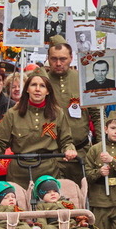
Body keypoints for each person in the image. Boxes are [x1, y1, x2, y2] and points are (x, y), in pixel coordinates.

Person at [0, 72, 78, 187]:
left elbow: (66, 140)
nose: (37, 89)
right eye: (33, 85)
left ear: (48, 91)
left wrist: (69, 149)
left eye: (42, 86)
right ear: (27, 89)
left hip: (48, 170)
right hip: (19, 172)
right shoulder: (13, 113)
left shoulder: (57, 113)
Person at [45, 40, 92, 180]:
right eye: (54, 59)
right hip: (51, 155)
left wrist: (100, 147)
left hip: (81, 152)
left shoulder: (83, 78)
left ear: (71, 58)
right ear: (48, 58)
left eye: (63, 59)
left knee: (80, 196)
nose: (58, 63)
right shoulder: (40, 81)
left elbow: (96, 114)